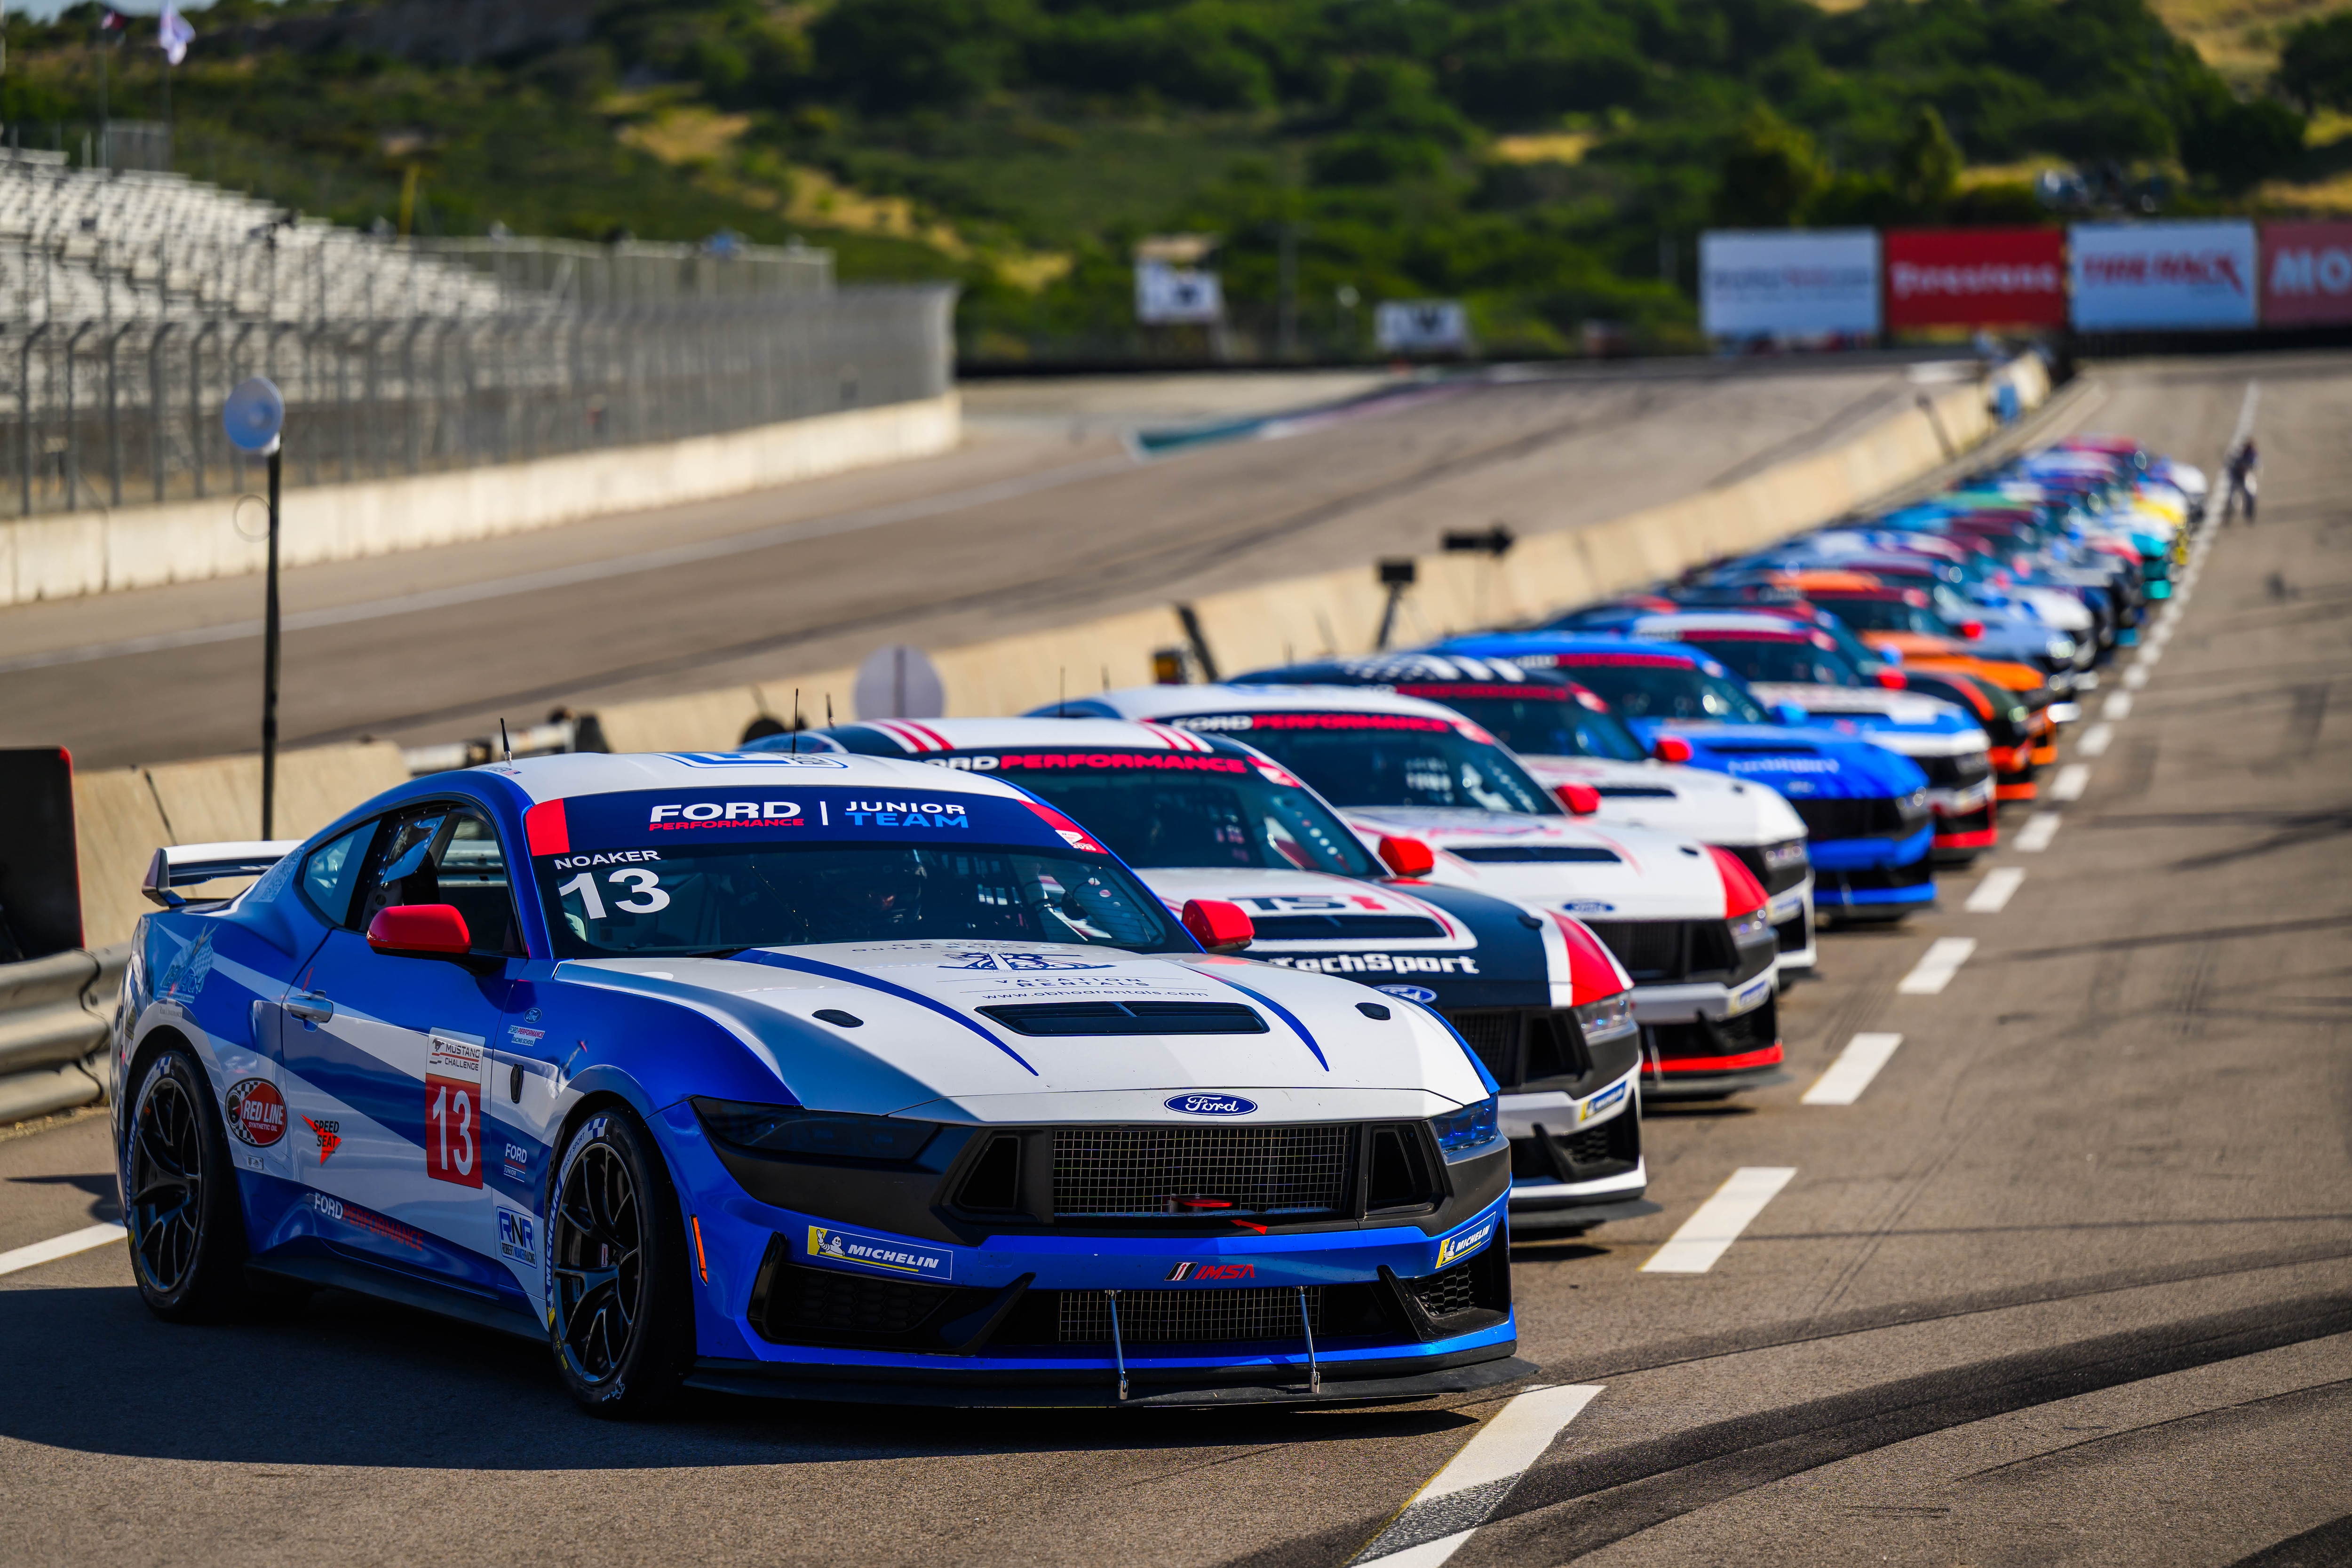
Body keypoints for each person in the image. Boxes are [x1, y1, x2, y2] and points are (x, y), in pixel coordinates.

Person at [2222, 438, 2258, 525]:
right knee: (2233, 501)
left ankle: (2250, 516)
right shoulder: (2236, 456)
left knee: (2250, 496)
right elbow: (2228, 466)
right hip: (2236, 478)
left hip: (2246, 478)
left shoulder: (2252, 456)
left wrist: (2246, 470)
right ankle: (2228, 518)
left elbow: (2255, 468)